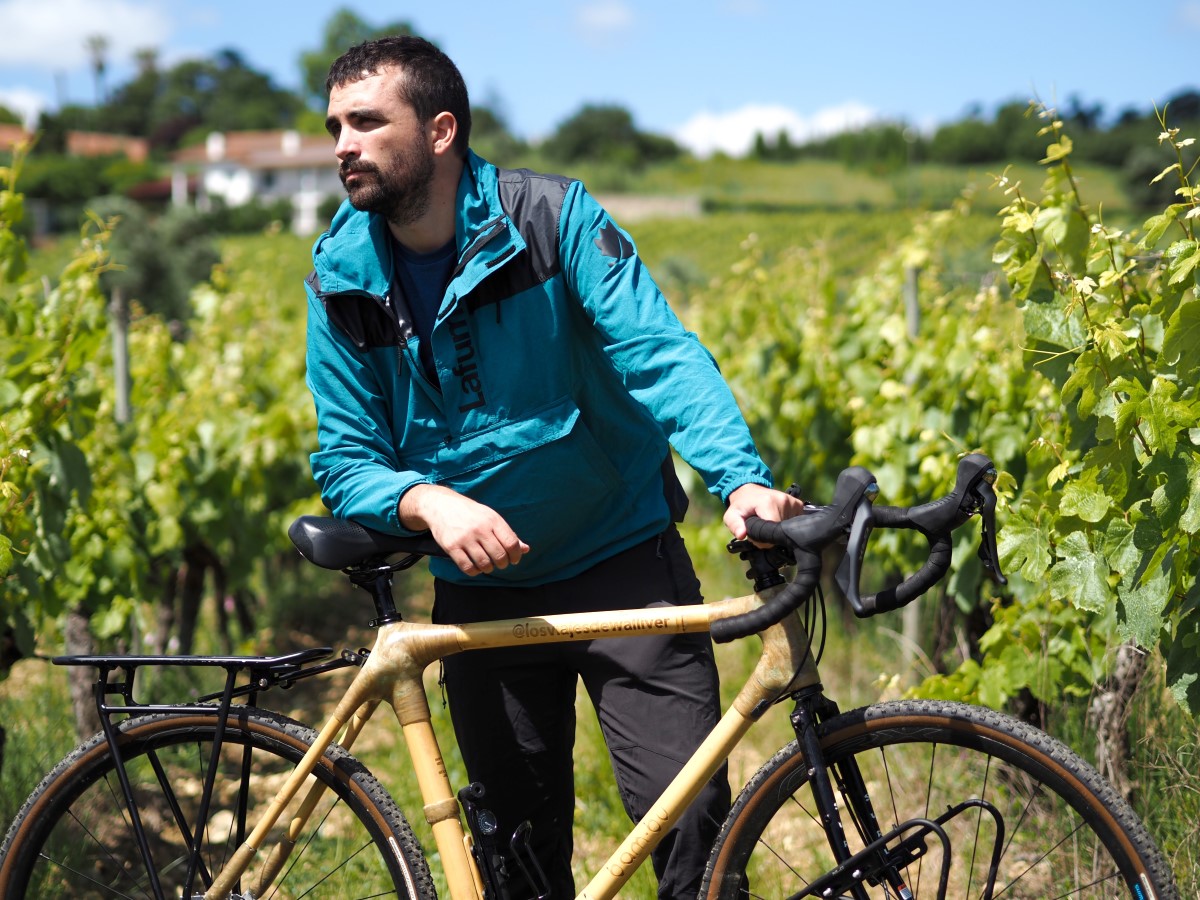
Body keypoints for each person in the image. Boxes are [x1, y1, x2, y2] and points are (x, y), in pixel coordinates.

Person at [305, 35, 802, 900]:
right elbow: (347, 457)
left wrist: (740, 478)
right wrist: (427, 501)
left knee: (695, 841)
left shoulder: (552, 218)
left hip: (624, 564)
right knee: (519, 864)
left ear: (440, 131)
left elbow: (660, 354)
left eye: (367, 121)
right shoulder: (338, 276)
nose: (343, 143)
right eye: (334, 124)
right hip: (480, 595)